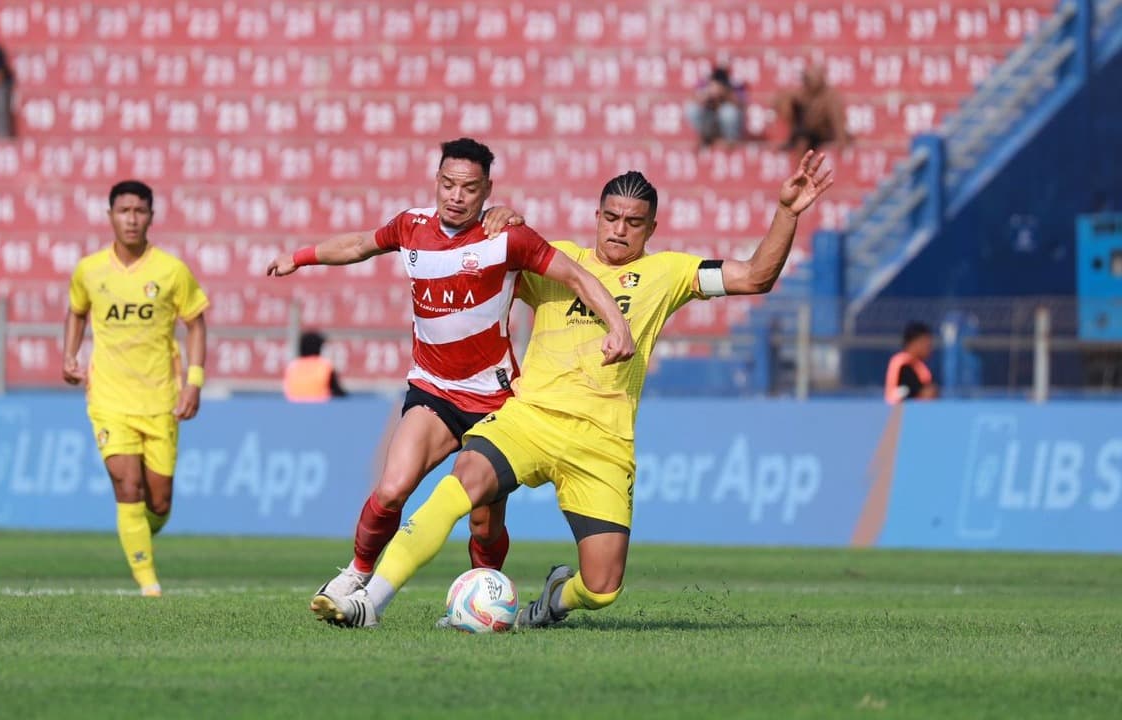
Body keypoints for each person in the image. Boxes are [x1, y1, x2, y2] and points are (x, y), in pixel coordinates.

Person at [312, 152, 835, 628]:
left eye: (634, 223)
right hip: (530, 419)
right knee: (461, 480)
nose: (619, 231)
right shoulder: (560, 261)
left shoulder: (670, 273)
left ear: (653, 227)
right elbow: (480, 253)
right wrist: (500, 215)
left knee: (603, 588)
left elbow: (757, 277)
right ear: (596, 217)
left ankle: (554, 600)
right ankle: (371, 602)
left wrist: (787, 212)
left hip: (603, 444)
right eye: (611, 218)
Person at [266, 137, 635, 614]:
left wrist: (618, 324)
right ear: (436, 182)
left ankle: (488, 595)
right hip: (433, 390)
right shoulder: (410, 226)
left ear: (486, 191)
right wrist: (300, 256)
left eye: (468, 188)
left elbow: (578, 277)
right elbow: (359, 245)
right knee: (393, 487)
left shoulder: (508, 238)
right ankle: (355, 576)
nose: (456, 196)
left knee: (484, 525)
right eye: (448, 184)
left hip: (495, 402)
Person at [62, 180, 209, 597]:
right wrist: (69, 356)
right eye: (123, 211)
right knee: (127, 485)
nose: (131, 219)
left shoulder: (171, 271)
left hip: (160, 399)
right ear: (109, 215)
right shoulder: (89, 270)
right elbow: (76, 312)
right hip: (108, 398)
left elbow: (195, 323)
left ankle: (142, 532)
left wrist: (193, 382)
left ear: (151, 216)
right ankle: (149, 584)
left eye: (139, 211)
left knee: (157, 503)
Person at [775, 64, 849, 153]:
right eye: (807, 79)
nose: (808, 82)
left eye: (810, 79)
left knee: (803, 142)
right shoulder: (804, 93)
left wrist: (841, 140)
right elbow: (783, 100)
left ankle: (804, 164)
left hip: (821, 133)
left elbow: (838, 120)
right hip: (804, 130)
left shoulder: (830, 96)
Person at [686, 66, 745, 147]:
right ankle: (705, 139)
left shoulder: (734, 88)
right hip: (711, 123)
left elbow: (741, 105)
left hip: (728, 129)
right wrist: (706, 96)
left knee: (728, 111)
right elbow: (692, 99)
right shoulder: (705, 88)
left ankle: (730, 142)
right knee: (692, 109)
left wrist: (724, 95)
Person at [284, 330, 347, 402]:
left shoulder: (292, 366)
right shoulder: (325, 366)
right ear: (319, 348)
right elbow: (339, 392)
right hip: (320, 407)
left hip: (292, 407)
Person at [884, 322, 938, 403]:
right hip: (901, 412)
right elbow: (909, 392)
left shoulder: (918, 365)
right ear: (915, 342)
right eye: (926, 344)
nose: (929, 348)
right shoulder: (903, 364)